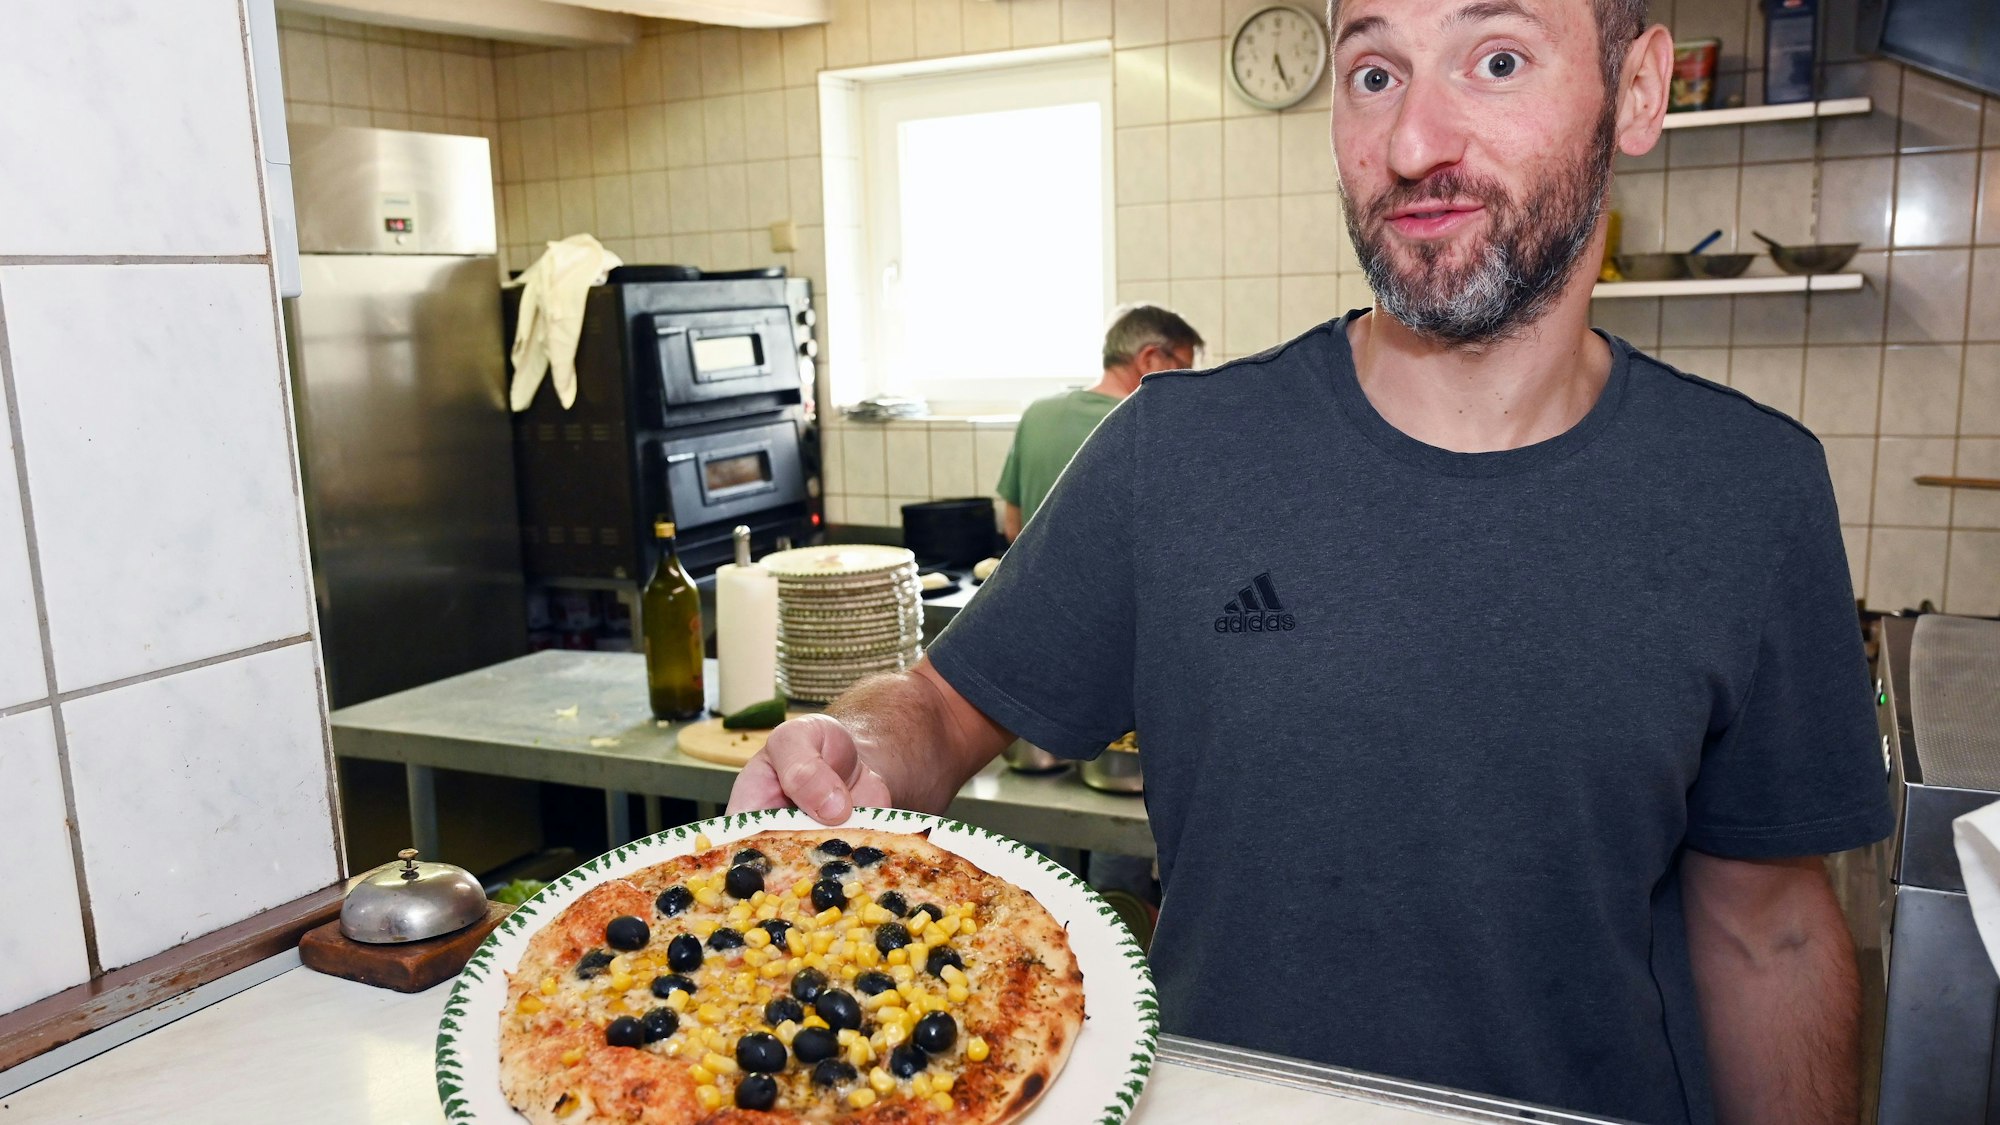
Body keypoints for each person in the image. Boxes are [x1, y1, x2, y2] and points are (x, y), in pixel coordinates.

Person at [732, 0, 1892, 1121]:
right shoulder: (1173, 453)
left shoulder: (1748, 493)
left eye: (1495, 60)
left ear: (1636, 90)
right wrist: (859, 749)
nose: (1413, 143)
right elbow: (939, 709)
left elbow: (1768, 929)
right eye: (1372, 74)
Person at [997, 304, 1203, 542]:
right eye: (1183, 367)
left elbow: (1013, 527)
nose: (1185, 382)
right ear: (1150, 358)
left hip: (1034, 579)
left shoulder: (1036, 413)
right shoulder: (1155, 427)